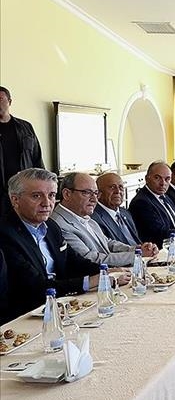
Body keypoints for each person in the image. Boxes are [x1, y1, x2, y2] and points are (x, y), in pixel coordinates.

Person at [0, 168, 128, 323]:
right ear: (15, 200)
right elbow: (35, 286)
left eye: (51, 195)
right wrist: (90, 281)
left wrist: (106, 272)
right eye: (36, 196)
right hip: (24, 318)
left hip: (60, 308)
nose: (46, 203)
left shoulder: (51, 226)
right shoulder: (5, 234)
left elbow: (74, 262)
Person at [49, 172, 157, 266]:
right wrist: (137, 255)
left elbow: (107, 243)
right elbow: (90, 259)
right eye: (87, 192)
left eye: (95, 193)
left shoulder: (85, 216)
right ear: (67, 194)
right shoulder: (58, 224)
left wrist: (137, 249)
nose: (94, 199)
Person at [0, 86, 44, 218]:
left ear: (9, 102)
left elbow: (37, 158)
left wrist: (42, 185)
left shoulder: (25, 127)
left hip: (25, 190)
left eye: (0, 99)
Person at [93, 172, 144, 247]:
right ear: (98, 193)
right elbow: (108, 249)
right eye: (112, 187)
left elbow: (136, 241)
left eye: (121, 187)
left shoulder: (125, 212)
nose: (118, 191)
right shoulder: (94, 218)